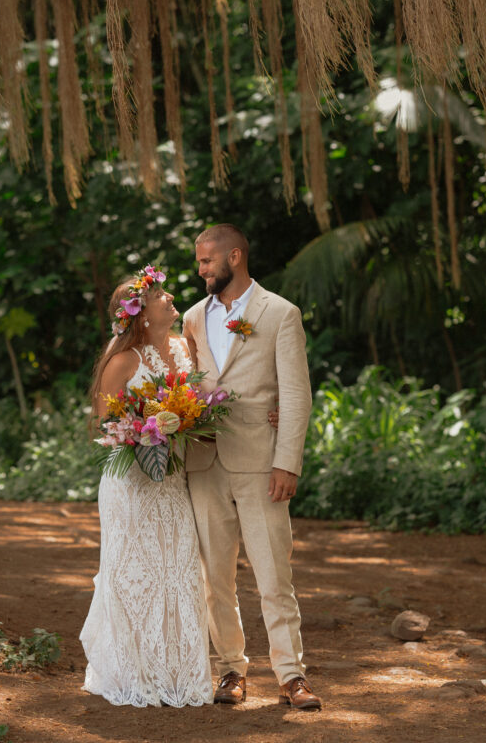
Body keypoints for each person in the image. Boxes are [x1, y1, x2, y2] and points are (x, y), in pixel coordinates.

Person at [183, 224, 322, 711]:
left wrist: (288, 461)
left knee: (272, 574)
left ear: (234, 257)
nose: (200, 270)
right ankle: (230, 670)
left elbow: (297, 394)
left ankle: (291, 674)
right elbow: (188, 385)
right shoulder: (193, 317)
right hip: (203, 461)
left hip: (261, 463)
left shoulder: (280, 313)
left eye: (206, 261)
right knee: (214, 578)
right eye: (199, 262)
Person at [79, 269, 214, 707]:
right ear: (138, 314)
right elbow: (105, 419)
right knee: (134, 570)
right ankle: (132, 670)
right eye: (159, 294)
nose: (170, 297)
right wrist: (145, 428)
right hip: (132, 483)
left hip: (173, 480)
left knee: (177, 569)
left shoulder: (184, 346)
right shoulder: (123, 361)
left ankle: (176, 671)